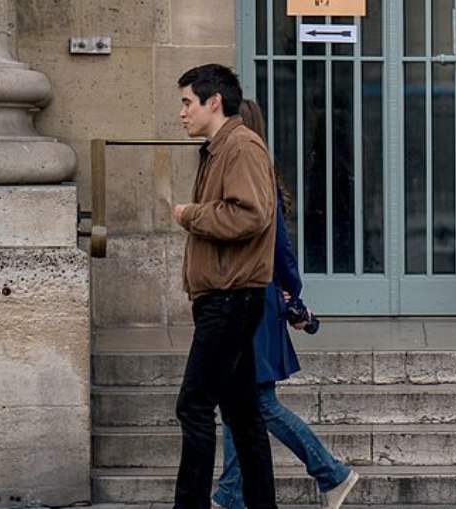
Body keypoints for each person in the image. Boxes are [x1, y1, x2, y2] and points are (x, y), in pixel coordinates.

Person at [212, 99, 359, 509]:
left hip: (255, 304)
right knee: (240, 402)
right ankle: (229, 494)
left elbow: (281, 251)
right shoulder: (249, 174)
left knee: (257, 403)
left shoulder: (252, 178)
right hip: (251, 303)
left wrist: (290, 294)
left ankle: (332, 472)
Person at [171, 64, 278, 509]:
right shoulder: (219, 149)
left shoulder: (241, 146)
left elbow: (251, 214)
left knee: (194, 405)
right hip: (225, 297)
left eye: (186, 102)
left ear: (213, 102)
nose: (181, 113)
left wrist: (190, 215)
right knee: (242, 413)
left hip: (232, 298)